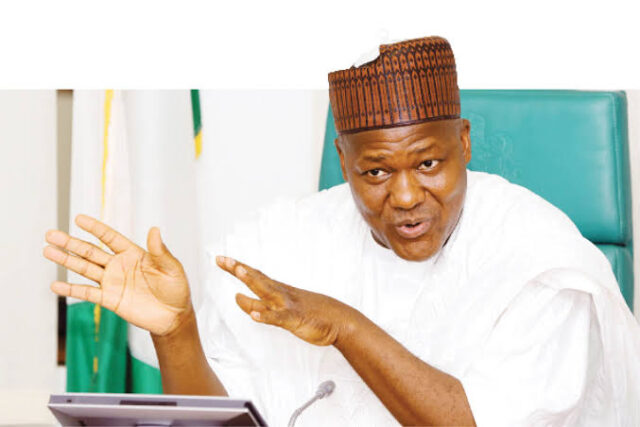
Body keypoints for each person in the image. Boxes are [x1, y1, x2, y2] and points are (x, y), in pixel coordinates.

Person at [43, 36, 640, 426]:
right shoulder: (284, 241)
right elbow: (224, 420)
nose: (404, 197)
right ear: (343, 160)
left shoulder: (541, 259)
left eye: (428, 163)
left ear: (463, 143)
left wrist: (345, 327)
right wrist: (177, 331)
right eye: (375, 171)